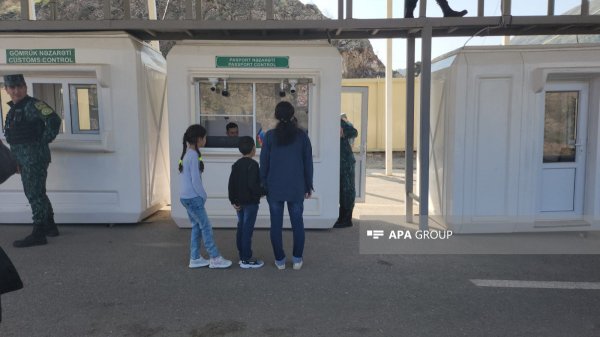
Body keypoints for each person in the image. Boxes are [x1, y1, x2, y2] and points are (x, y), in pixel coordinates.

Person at [3, 74, 62, 248]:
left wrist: (42, 141)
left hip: (34, 158)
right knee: (38, 192)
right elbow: (16, 137)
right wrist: (16, 160)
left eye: (20, 86)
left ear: (25, 87)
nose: (16, 90)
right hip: (23, 158)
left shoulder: (33, 105)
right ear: (6, 89)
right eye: (12, 87)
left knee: (34, 194)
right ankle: (50, 226)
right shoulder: (14, 109)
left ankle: (38, 233)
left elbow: (54, 120)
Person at [260, 101, 313, 270]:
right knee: (298, 223)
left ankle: (280, 260)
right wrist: (308, 185)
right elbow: (307, 163)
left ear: (276, 116)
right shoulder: (302, 136)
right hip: (296, 187)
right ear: (292, 115)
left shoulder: (269, 136)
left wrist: (262, 184)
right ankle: (297, 259)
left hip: (274, 187)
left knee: (275, 224)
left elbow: (264, 163)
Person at [178, 124, 232, 269]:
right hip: (193, 198)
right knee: (206, 227)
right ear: (198, 139)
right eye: (204, 137)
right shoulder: (193, 155)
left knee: (197, 226)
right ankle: (215, 257)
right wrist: (203, 195)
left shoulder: (187, 154)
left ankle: (195, 258)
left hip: (185, 197)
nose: (206, 139)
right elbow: (195, 180)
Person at [228, 136, 265, 269]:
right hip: (250, 203)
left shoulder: (236, 164)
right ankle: (247, 258)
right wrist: (262, 192)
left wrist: (233, 200)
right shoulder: (253, 165)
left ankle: (241, 254)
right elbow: (253, 185)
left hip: (239, 203)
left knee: (241, 227)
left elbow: (231, 184)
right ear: (253, 149)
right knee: (247, 229)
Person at [334, 115, 358, 228]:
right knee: (338, 190)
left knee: (347, 190)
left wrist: (342, 131)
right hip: (336, 162)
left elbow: (354, 132)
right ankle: (340, 217)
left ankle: (347, 219)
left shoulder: (338, 121)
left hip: (345, 162)